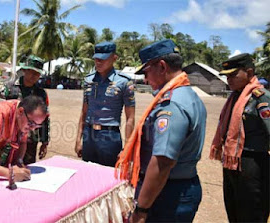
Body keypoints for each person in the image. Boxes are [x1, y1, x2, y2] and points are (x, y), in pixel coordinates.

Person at [116, 39, 207, 222]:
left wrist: (141, 209)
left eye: (147, 71)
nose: (145, 79)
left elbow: (163, 162)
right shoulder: (189, 95)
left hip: (168, 192)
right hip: (177, 186)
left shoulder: (171, 105)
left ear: (162, 67)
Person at [210, 53, 270, 222]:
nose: (229, 79)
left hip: (253, 163)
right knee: (234, 211)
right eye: (226, 75)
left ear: (249, 72)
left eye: (233, 75)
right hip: (231, 162)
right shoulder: (234, 97)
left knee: (252, 214)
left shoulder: (260, 97)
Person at [74, 41, 135, 167]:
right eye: (96, 59)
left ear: (114, 58)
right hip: (89, 135)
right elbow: (84, 112)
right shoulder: (88, 80)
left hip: (110, 136)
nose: (98, 62)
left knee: (109, 175)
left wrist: (127, 147)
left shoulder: (124, 82)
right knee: (87, 173)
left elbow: (130, 118)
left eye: (103, 59)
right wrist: (78, 140)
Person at [0, 55, 50, 165]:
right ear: (25, 70)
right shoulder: (9, 89)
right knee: (4, 172)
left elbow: (45, 119)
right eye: (31, 71)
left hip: (30, 141)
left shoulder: (41, 94)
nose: (34, 75)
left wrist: (44, 141)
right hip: (9, 140)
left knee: (27, 171)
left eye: (37, 73)